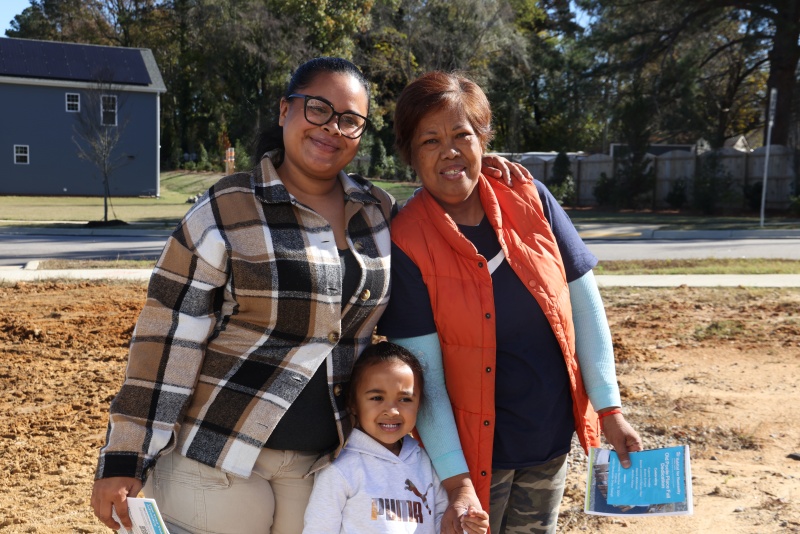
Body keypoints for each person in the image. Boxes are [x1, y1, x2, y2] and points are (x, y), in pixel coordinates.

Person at [90, 57, 528, 534]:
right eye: (317, 109)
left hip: (319, 466)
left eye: (350, 121)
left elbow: (443, 206)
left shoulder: (378, 212)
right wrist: (125, 457)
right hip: (218, 460)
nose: (332, 129)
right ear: (285, 111)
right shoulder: (225, 208)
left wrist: (488, 176)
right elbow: (165, 339)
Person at [377, 71, 643, 534]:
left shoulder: (531, 198)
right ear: (410, 154)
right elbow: (425, 378)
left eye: (463, 134)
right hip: (472, 459)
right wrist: (457, 481)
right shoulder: (406, 239)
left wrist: (610, 410)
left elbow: (585, 307)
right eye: (430, 140)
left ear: (483, 140)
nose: (450, 151)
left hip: (548, 440)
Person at [303, 341, 490, 533]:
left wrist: (466, 525)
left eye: (405, 399)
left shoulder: (425, 462)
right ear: (352, 403)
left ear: (419, 404)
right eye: (377, 398)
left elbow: (443, 525)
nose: (392, 411)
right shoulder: (339, 468)